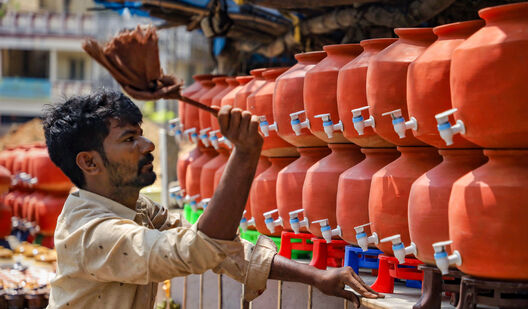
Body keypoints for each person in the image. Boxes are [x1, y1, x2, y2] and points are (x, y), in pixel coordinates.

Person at [42, 89, 382, 308]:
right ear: (89, 161)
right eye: (130, 138)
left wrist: (317, 276)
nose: (148, 146)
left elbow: (224, 251)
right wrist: (245, 155)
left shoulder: (138, 209)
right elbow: (197, 250)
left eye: (142, 135)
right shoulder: (89, 233)